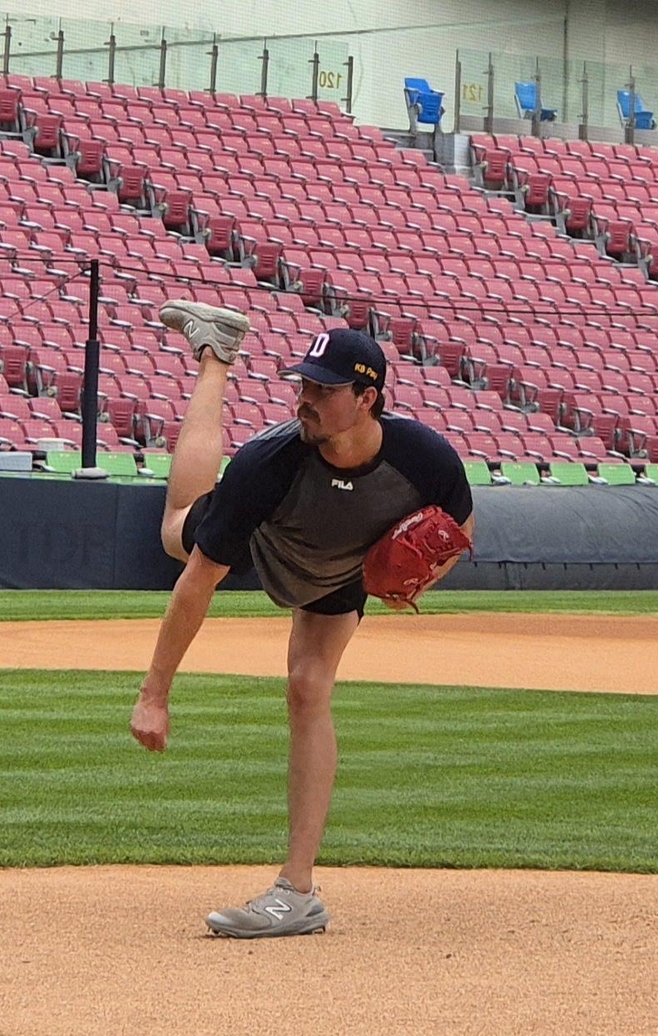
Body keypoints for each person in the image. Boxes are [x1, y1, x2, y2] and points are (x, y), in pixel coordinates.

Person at [129, 299, 475, 939]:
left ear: (367, 398)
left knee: (308, 688)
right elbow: (196, 584)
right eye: (303, 384)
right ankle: (215, 359)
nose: (304, 398)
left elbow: (461, 526)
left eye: (322, 388)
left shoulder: (427, 459)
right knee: (177, 529)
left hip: (338, 572)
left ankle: (297, 890)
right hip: (268, 537)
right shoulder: (270, 464)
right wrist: (156, 694)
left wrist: (422, 577)